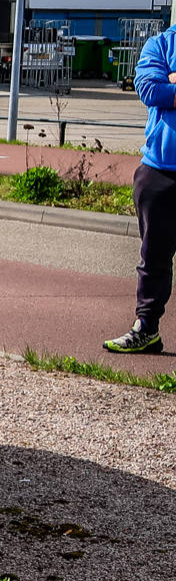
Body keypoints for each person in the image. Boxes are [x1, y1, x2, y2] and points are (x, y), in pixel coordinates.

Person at [106, 20, 176, 354]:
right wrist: (166, 87)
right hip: (159, 171)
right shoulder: (161, 45)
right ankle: (146, 329)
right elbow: (148, 88)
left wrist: (172, 84)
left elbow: (163, 90)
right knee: (154, 257)